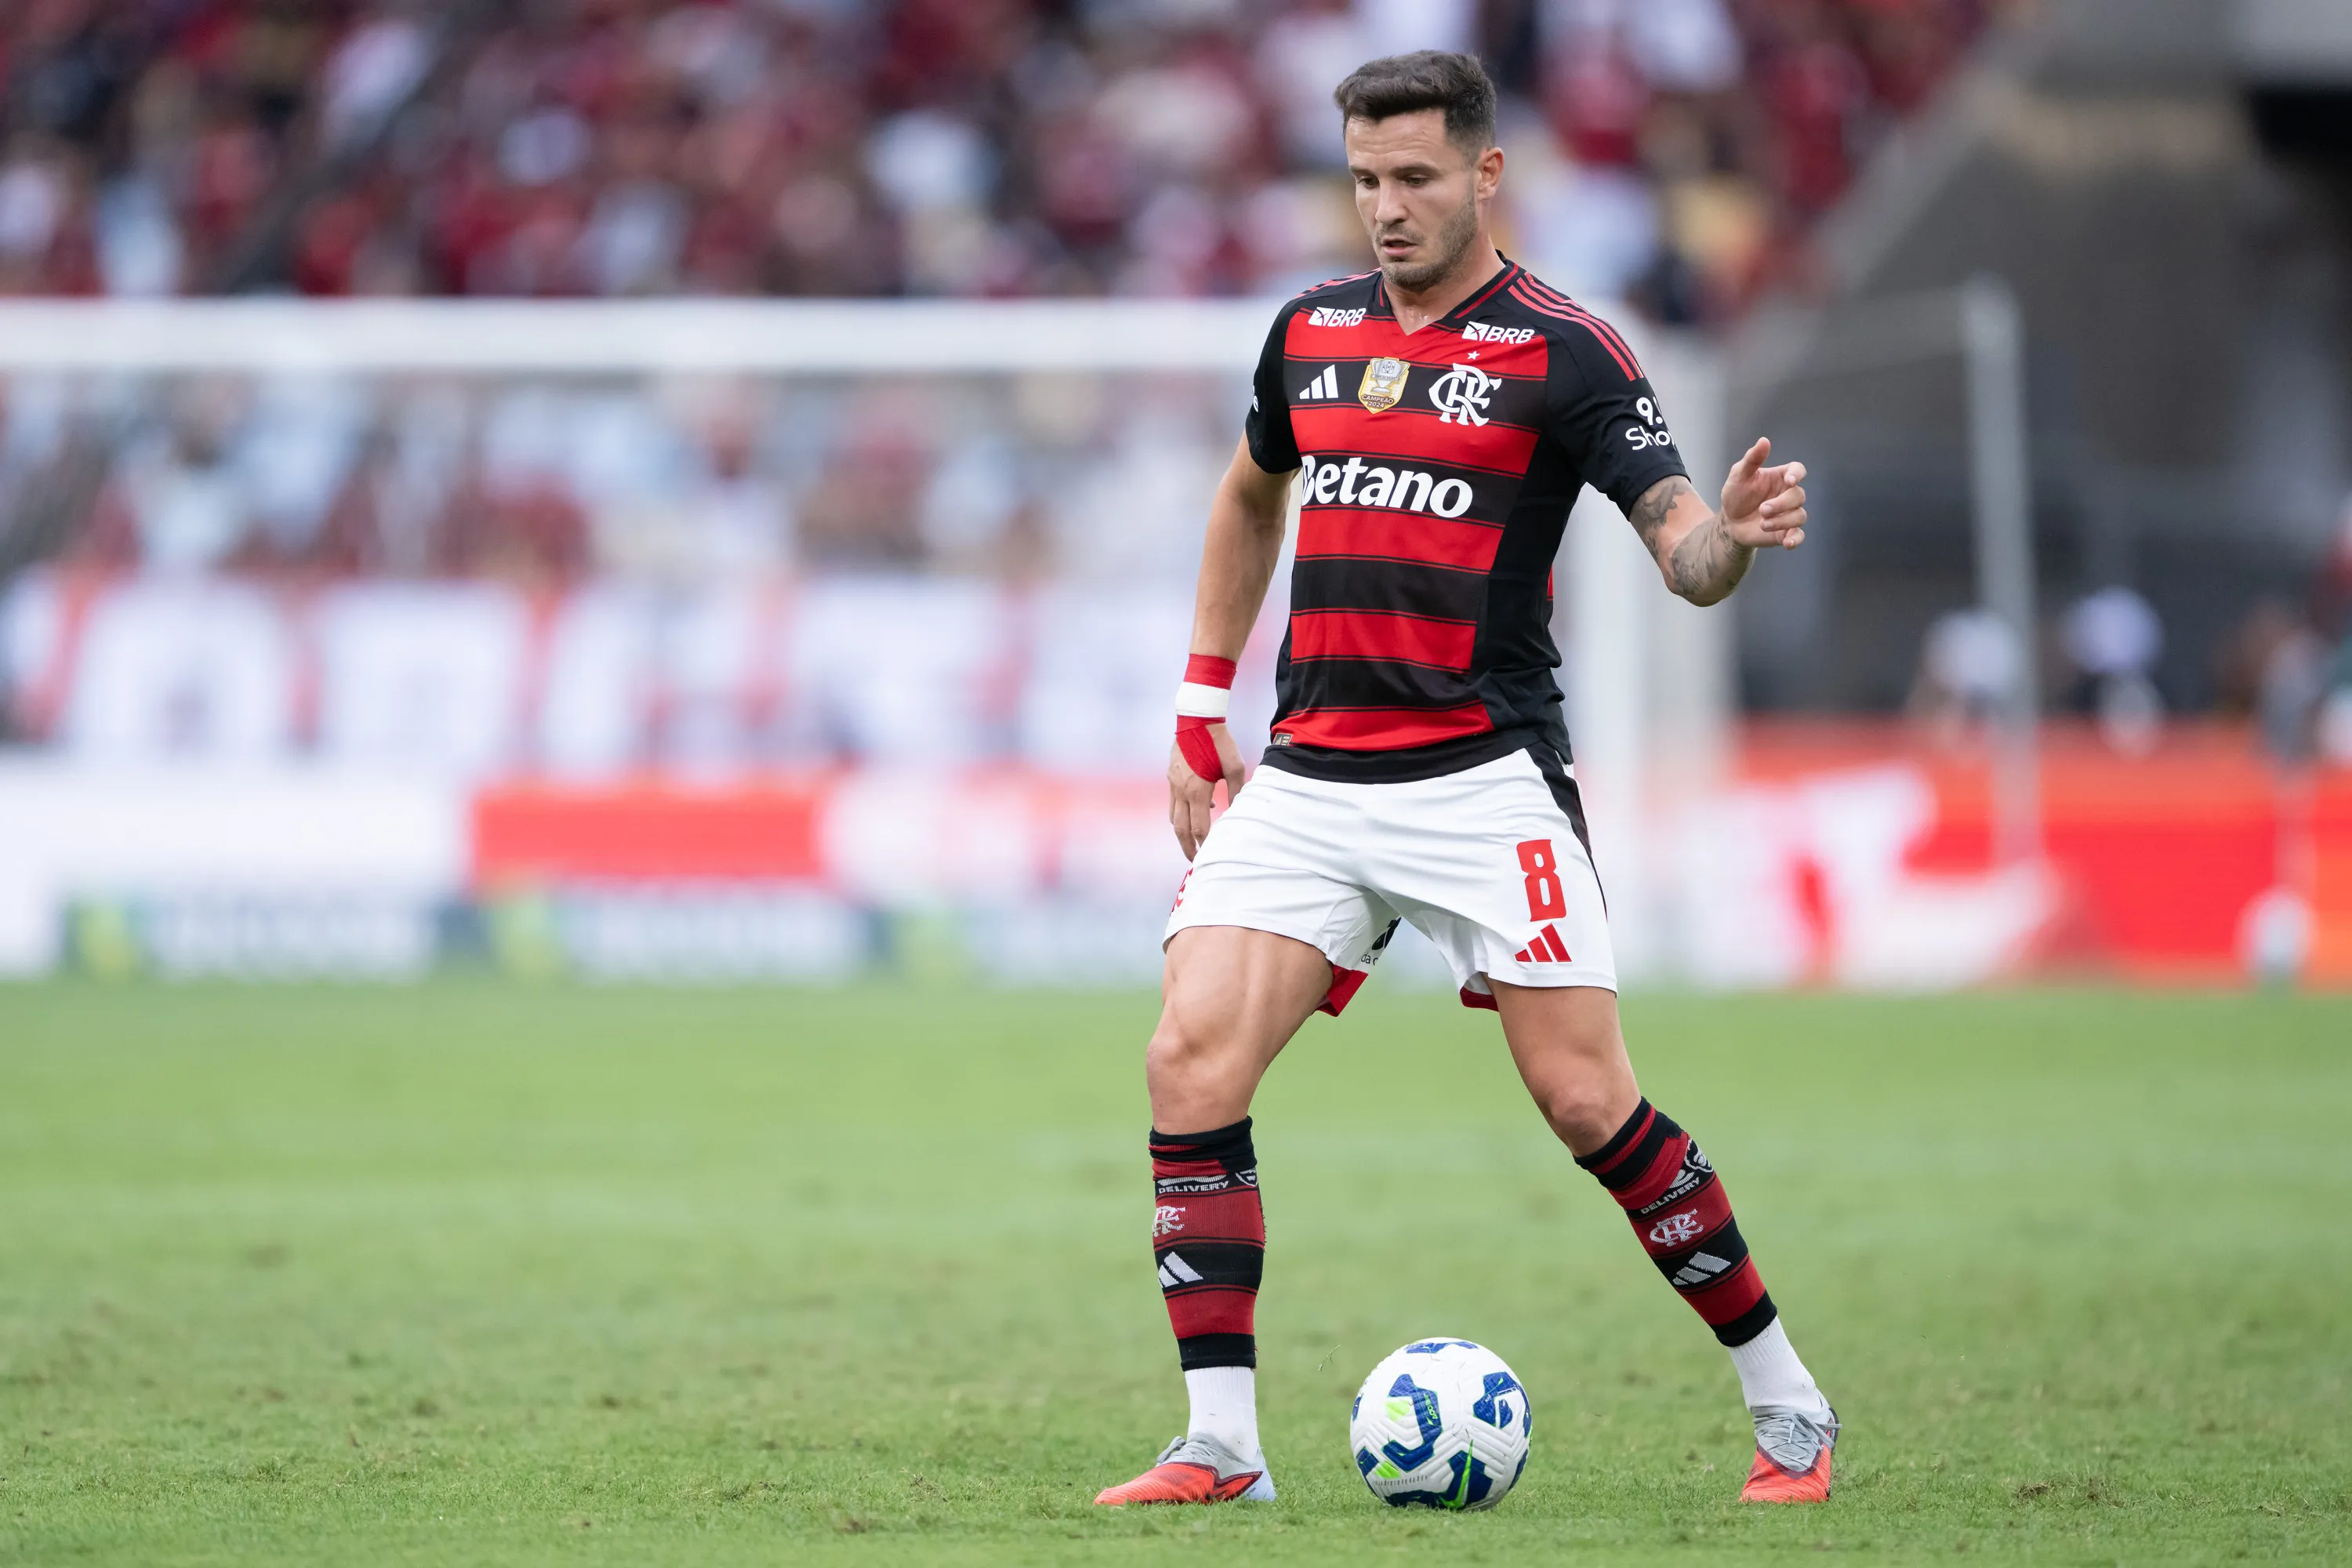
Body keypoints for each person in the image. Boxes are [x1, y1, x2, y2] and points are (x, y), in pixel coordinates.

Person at [1093, 52, 1835, 1509]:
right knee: (1189, 1060)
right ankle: (1222, 1446)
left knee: (1585, 1107)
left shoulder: (1567, 350)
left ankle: (1789, 1403)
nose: (1386, 208)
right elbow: (1253, 491)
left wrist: (1734, 539)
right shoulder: (1308, 333)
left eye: (1416, 178)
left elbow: (1681, 547)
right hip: (1310, 777)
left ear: (1487, 175)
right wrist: (1199, 697)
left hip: (1483, 781)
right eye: (1366, 180)